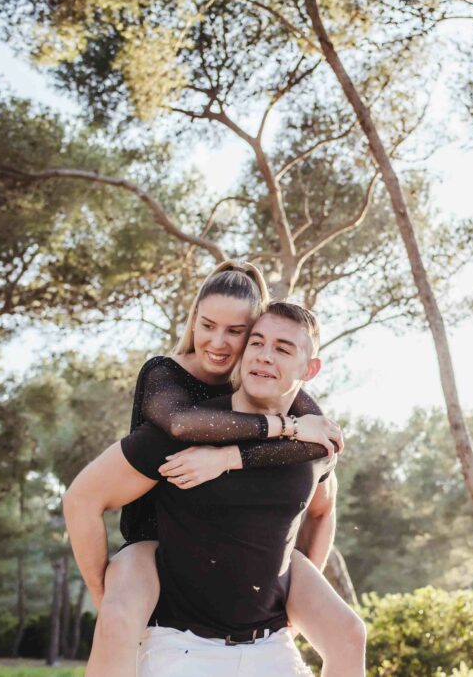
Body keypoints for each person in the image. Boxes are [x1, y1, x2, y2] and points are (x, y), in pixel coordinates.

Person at [68, 262, 365, 676]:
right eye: (209, 326)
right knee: (117, 621)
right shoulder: (172, 394)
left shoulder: (303, 426)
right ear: (194, 322)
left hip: (257, 585)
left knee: (352, 633)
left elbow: (321, 491)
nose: (221, 344)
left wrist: (292, 592)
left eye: (238, 333)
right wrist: (102, 592)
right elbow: (178, 427)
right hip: (153, 541)